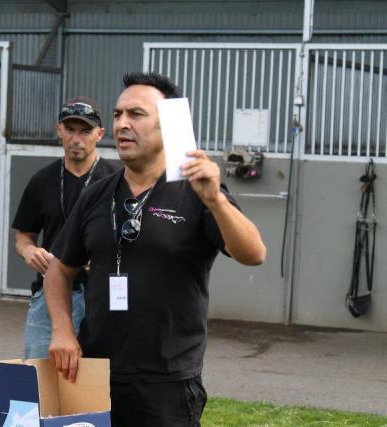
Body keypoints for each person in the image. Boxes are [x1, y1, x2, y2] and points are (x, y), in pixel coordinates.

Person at [44, 72, 266, 426]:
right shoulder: (97, 194)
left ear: (168, 127)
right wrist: (62, 330)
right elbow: (59, 269)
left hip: (166, 381)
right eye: (118, 114)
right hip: (94, 371)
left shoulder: (197, 190)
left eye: (136, 114)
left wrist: (216, 200)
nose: (122, 124)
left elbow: (254, 253)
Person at [12, 96, 119, 359]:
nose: (76, 139)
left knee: (103, 377)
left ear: (100, 134)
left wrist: (105, 257)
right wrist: (29, 251)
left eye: (85, 131)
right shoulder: (41, 181)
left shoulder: (117, 181)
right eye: (70, 130)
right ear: (59, 130)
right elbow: (23, 237)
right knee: (38, 373)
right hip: (50, 294)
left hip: (102, 295)